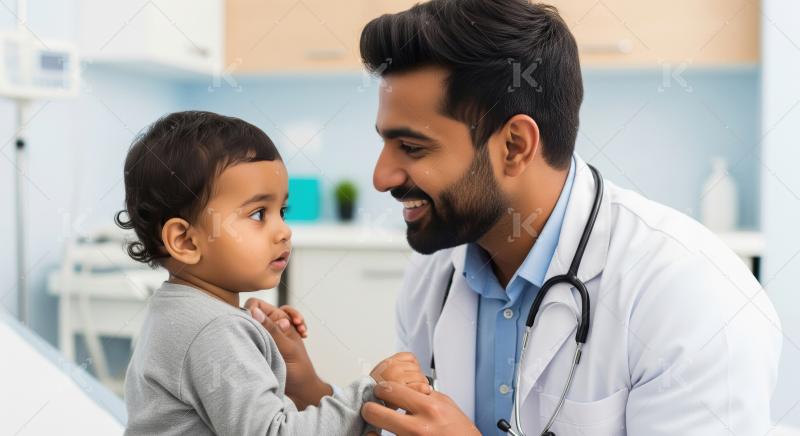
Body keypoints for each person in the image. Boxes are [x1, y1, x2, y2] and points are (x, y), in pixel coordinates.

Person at [354, 1, 783, 434]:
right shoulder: (434, 274)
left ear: (514, 146)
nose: (380, 176)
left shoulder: (690, 294)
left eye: (411, 148)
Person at [116, 111, 430, 435]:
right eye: (258, 214)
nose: (283, 231)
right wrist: (368, 395)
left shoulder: (176, 311)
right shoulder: (216, 330)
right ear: (185, 240)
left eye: (282, 211)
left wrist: (262, 350)